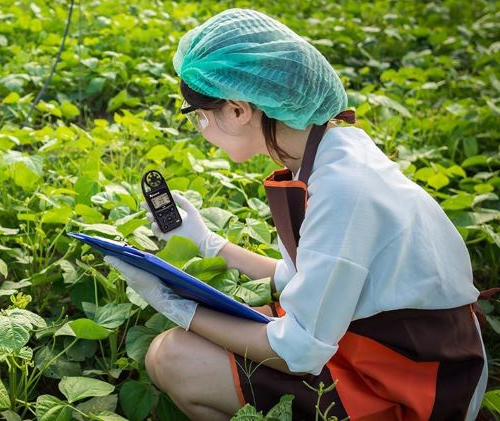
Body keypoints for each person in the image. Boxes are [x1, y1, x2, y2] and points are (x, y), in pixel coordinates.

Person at [103, 8, 487, 421]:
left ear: (237, 110)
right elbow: (304, 278)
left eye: (198, 115)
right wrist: (209, 244)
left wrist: (174, 304)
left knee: (175, 358)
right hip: (379, 345)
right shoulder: (331, 151)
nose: (200, 128)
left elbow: (299, 350)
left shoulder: (345, 189)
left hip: (412, 385)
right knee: (179, 349)